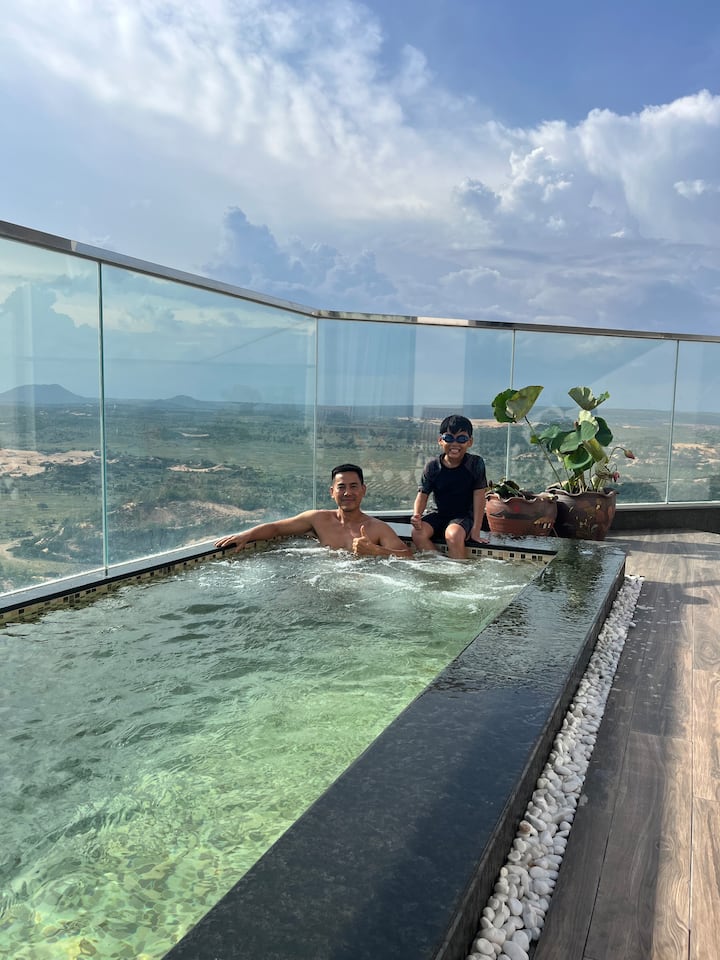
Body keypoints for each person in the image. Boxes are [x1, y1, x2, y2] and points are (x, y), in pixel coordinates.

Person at [214, 463, 413, 558]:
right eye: (341, 487)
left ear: (363, 490)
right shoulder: (318, 519)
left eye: (353, 486)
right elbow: (276, 528)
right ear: (332, 492)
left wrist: (376, 551)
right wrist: (247, 535)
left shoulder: (377, 528)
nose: (347, 493)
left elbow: (409, 557)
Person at [411, 414, 488, 559]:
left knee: (453, 535)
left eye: (461, 439)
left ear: (470, 442)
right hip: (438, 514)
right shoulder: (433, 466)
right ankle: (439, 565)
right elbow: (422, 494)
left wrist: (476, 529)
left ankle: (459, 569)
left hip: (463, 516)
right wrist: (417, 515)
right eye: (449, 438)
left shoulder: (475, 464)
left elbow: (479, 496)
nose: (455, 444)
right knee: (417, 533)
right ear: (440, 440)